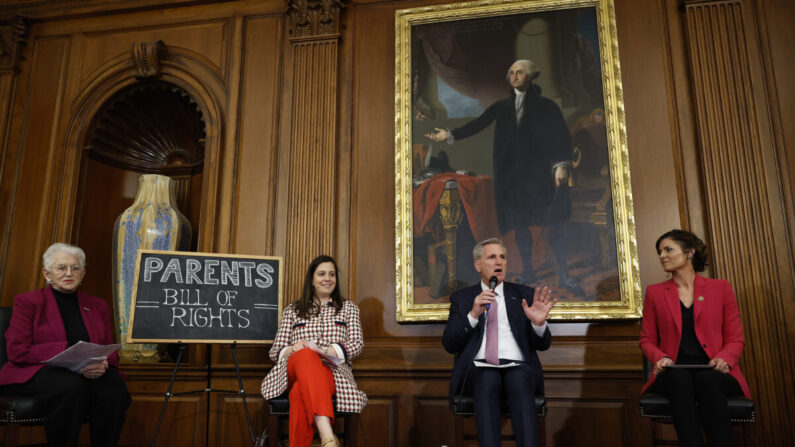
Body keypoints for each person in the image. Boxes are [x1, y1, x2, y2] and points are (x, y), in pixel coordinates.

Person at [426, 59, 583, 296]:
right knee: (520, 226)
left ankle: (564, 274)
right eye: (511, 72)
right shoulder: (502, 107)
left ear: (532, 76)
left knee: (555, 225)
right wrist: (448, 134)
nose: (515, 76)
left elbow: (562, 138)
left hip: (542, 178)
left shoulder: (548, 107)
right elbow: (477, 124)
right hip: (514, 182)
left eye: (520, 72)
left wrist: (562, 165)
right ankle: (529, 271)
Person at [0, 243, 131, 447]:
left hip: (87, 370)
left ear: (83, 273)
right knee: (70, 387)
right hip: (39, 370)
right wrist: (68, 355)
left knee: (114, 388)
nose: (69, 273)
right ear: (47, 273)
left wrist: (103, 363)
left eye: (75, 268)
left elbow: (108, 347)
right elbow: (17, 349)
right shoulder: (28, 302)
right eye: (61, 267)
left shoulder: (97, 305)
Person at [442, 238, 557, 447]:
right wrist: (473, 315)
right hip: (479, 368)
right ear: (478, 265)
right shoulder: (463, 298)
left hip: (518, 366)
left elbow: (543, 344)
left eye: (502, 257)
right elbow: (450, 343)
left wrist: (538, 324)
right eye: (492, 257)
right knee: (487, 377)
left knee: (518, 378)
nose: (499, 262)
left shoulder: (524, 295)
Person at [640, 229, 751, 446]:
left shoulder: (721, 288)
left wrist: (724, 359)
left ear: (689, 252)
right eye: (659, 251)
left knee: (705, 379)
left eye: (668, 249)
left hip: (713, 371)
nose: (662, 255)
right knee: (679, 380)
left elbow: (735, 338)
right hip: (673, 371)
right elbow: (647, 340)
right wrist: (660, 358)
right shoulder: (654, 293)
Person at [260, 255, 367, 447]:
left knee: (300, 391)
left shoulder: (349, 308)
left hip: (333, 373)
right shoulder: (293, 310)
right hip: (292, 369)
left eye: (332, 274)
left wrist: (331, 349)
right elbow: (275, 351)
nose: (328, 279)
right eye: (322, 274)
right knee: (306, 354)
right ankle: (327, 434)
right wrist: (292, 348)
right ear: (312, 279)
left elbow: (357, 343)